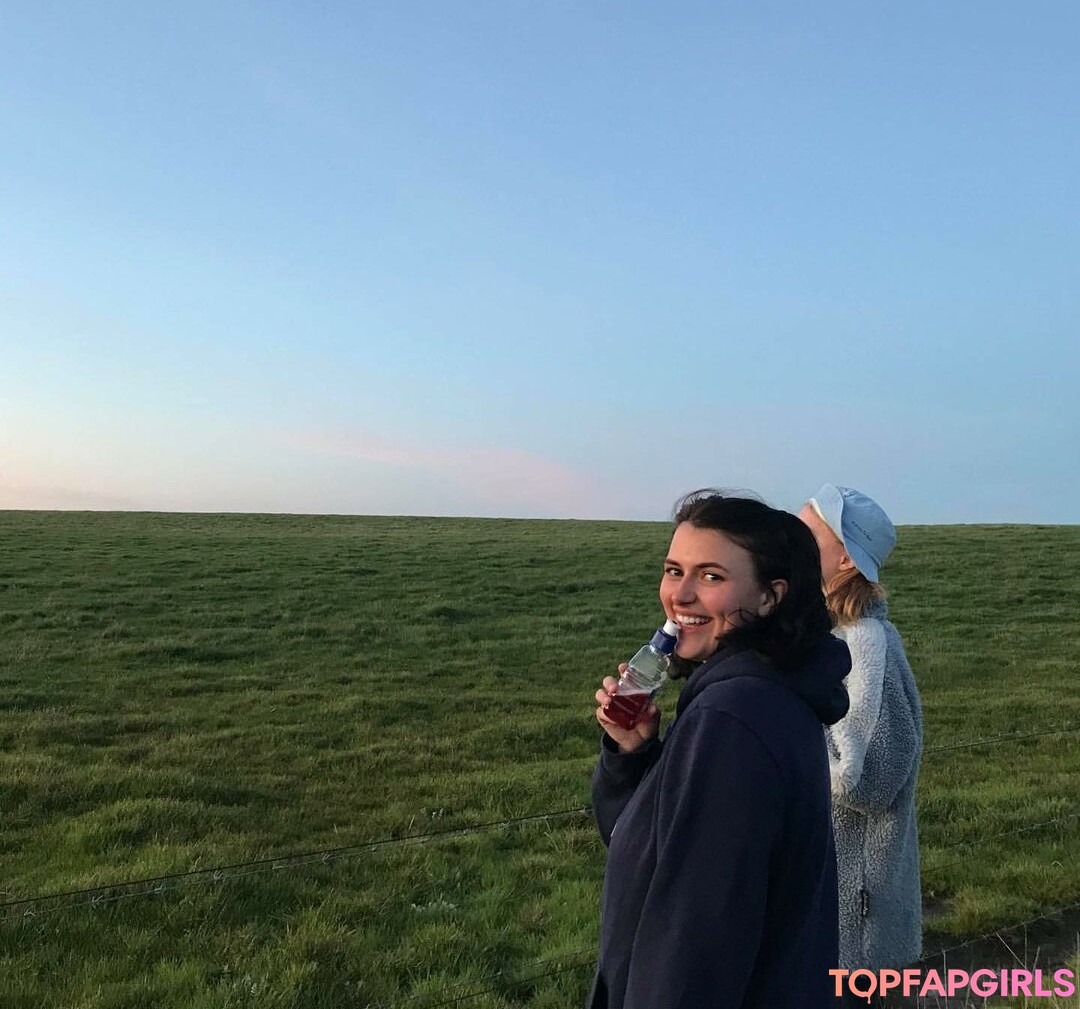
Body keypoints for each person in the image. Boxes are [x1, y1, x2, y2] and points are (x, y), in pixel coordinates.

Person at [588, 491, 852, 1009]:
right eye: (674, 571)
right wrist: (632, 755)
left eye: (711, 576)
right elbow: (648, 855)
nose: (680, 595)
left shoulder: (732, 719)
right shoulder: (766, 693)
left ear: (769, 597)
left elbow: (693, 942)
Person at [798, 484, 923, 995]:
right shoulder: (824, 637)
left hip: (853, 923)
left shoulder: (866, 645)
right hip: (819, 900)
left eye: (806, 535)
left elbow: (867, 779)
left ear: (846, 558)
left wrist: (789, 757)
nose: (788, 541)